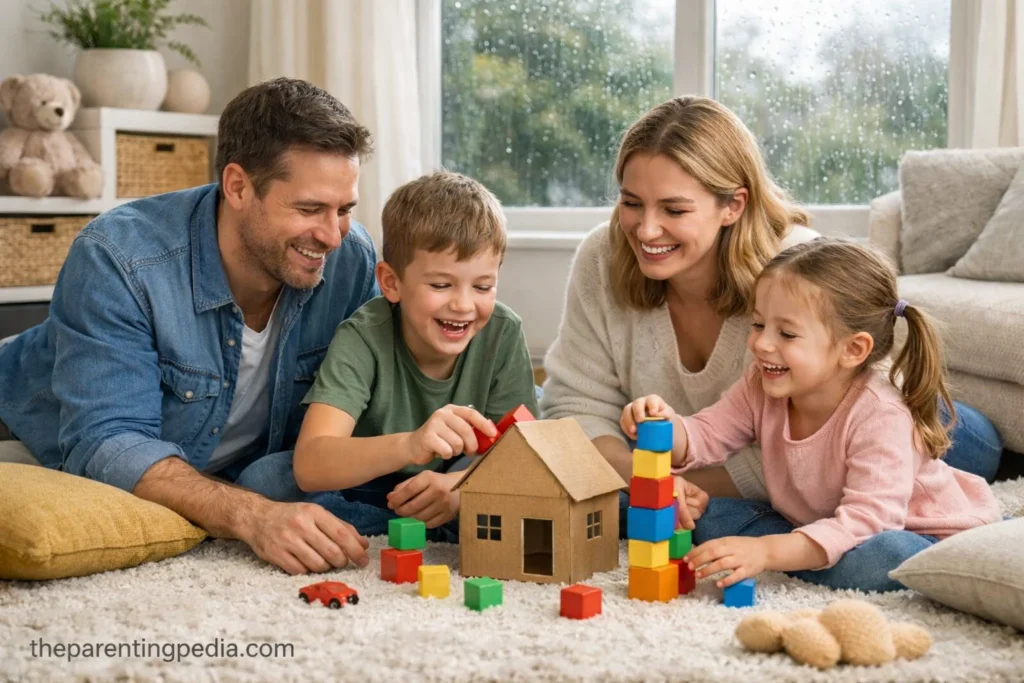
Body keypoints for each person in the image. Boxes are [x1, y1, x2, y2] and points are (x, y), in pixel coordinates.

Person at [540, 96, 1004, 527]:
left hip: (857, 435)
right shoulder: (603, 255)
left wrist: (678, 489)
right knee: (617, 504)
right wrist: (646, 485)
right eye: (631, 202)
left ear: (732, 206)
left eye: (674, 209)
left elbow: (836, 423)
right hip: (698, 456)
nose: (646, 229)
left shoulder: (796, 268)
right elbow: (576, 403)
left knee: (965, 445)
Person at [0, 78, 380, 575]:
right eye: (309, 209)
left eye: (344, 209)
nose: (332, 235)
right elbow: (108, 442)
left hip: (209, 462)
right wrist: (251, 514)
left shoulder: (351, 260)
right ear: (238, 186)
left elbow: (377, 396)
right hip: (28, 421)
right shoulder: (119, 257)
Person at [621, 239, 1003, 592]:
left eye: (787, 334)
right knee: (701, 517)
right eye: (758, 325)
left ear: (853, 350)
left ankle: (792, 553)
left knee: (882, 557)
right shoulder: (761, 382)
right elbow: (707, 433)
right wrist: (662, 426)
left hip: (906, 531)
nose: (762, 343)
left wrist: (768, 553)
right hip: (813, 521)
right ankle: (796, 551)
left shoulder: (880, 414)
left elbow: (867, 521)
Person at [253, 171, 539, 537]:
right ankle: (425, 530)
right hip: (368, 482)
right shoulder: (364, 335)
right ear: (391, 283)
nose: (464, 305)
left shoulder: (503, 330)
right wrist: (411, 445)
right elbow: (311, 464)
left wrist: (462, 491)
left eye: (483, 286)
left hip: (454, 476)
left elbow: (524, 457)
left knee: (543, 484)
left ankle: (421, 524)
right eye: (440, 285)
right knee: (264, 480)